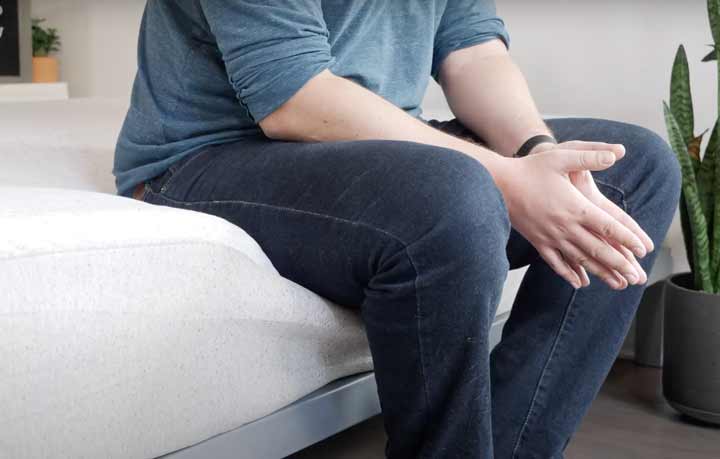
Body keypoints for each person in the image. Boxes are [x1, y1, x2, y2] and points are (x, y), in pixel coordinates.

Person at [113, 1, 681, 457]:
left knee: (635, 171)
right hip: (209, 158)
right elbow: (294, 98)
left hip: (377, 148)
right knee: (456, 194)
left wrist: (539, 156)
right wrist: (509, 179)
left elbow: (472, 52)